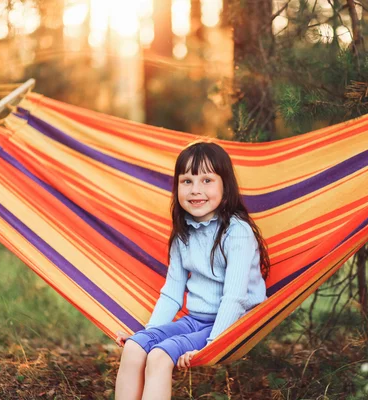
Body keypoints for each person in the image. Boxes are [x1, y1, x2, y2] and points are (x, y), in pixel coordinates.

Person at [114, 141, 270, 400]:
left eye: (207, 180)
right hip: (196, 320)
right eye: (187, 181)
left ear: (225, 186)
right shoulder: (183, 235)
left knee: (159, 357)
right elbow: (172, 294)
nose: (196, 190)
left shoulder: (236, 233)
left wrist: (212, 347)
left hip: (232, 324)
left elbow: (235, 297)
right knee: (134, 348)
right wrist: (148, 333)